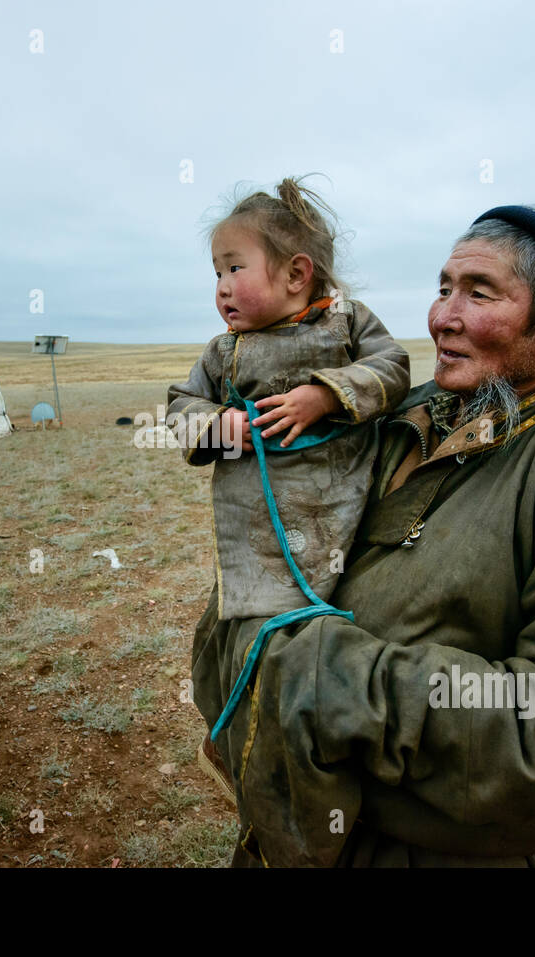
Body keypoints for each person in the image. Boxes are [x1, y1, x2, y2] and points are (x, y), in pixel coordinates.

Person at [191, 201, 535, 866]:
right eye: (442, 288)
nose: (442, 317)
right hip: (286, 831)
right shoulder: (389, 415)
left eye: (479, 292)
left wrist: (333, 680)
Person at [166, 177, 411, 745]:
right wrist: (216, 424)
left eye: (234, 268)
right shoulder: (221, 353)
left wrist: (327, 394)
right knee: (251, 632)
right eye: (216, 273)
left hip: (345, 510)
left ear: (298, 274)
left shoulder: (346, 322)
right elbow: (181, 404)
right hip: (261, 526)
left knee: (342, 617)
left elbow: (393, 366)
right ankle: (254, 734)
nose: (222, 288)